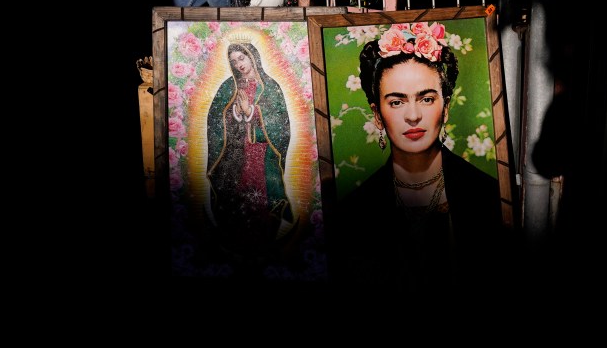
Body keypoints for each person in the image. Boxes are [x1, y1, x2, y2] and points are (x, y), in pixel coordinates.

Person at [331, 22, 506, 288]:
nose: (413, 116)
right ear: (378, 115)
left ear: (445, 108)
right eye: (397, 102)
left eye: (426, 99)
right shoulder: (355, 212)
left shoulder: (488, 195)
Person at [206, 42, 295, 260]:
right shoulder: (229, 86)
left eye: (242, 58)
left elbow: (280, 123)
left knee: (260, 197)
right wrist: (234, 114)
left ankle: (262, 243)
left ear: (252, 57)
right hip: (234, 155)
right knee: (235, 196)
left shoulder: (270, 86)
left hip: (261, 155)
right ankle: (236, 243)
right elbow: (215, 118)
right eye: (234, 61)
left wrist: (253, 111)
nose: (239, 65)